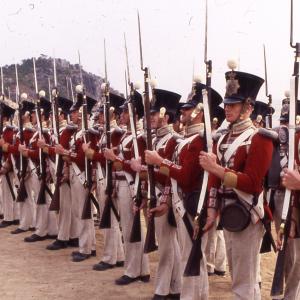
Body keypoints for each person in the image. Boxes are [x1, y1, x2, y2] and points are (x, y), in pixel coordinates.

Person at [199, 61, 273, 300]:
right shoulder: (223, 137)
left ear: (248, 107)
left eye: (234, 104)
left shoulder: (259, 139)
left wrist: (217, 169)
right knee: (239, 277)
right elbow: (213, 180)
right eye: (227, 104)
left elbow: (252, 183)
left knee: (244, 281)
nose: (227, 109)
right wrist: (211, 210)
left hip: (247, 212)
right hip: (228, 211)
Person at [145, 77, 223, 300]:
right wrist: (166, 201)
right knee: (189, 257)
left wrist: (160, 162)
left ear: (199, 111)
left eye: (188, 109)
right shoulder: (186, 140)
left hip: (193, 204)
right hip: (182, 203)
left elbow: (187, 177)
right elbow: (174, 179)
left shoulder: (201, 140)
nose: (183, 112)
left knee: (191, 258)